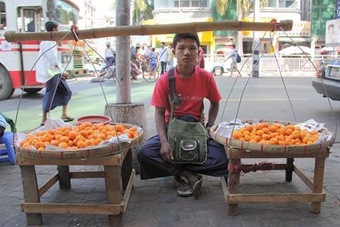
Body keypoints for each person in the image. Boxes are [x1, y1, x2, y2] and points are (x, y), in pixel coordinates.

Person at [138, 33, 228, 198]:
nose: (187, 52)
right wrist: (164, 142)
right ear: (174, 52)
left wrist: (209, 127)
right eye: (181, 48)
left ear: (198, 52)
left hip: (197, 128)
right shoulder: (165, 80)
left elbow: (215, 102)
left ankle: (178, 168)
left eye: (192, 48)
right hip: (171, 127)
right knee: (146, 153)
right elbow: (158, 113)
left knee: (223, 159)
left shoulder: (206, 77)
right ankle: (188, 173)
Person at [36, 21, 73, 126]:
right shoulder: (48, 41)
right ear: (54, 29)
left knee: (66, 91)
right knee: (50, 94)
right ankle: (44, 118)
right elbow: (53, 59)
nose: (59, 31)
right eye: (58, 29)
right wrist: (63, 71)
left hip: (55, 71)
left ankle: (64, 114)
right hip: (50, 72)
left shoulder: (51, 41)